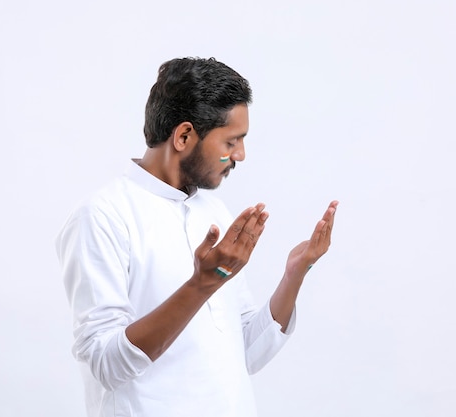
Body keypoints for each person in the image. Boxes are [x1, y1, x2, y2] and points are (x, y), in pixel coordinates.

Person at [55, 57, 338, 417]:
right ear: (185, 136)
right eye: (231, 141)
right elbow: (106, 365)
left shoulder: (213, 212)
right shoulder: (102, 217)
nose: (240, 155)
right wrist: (202, 284)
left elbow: (248, 352)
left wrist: (294, 275)